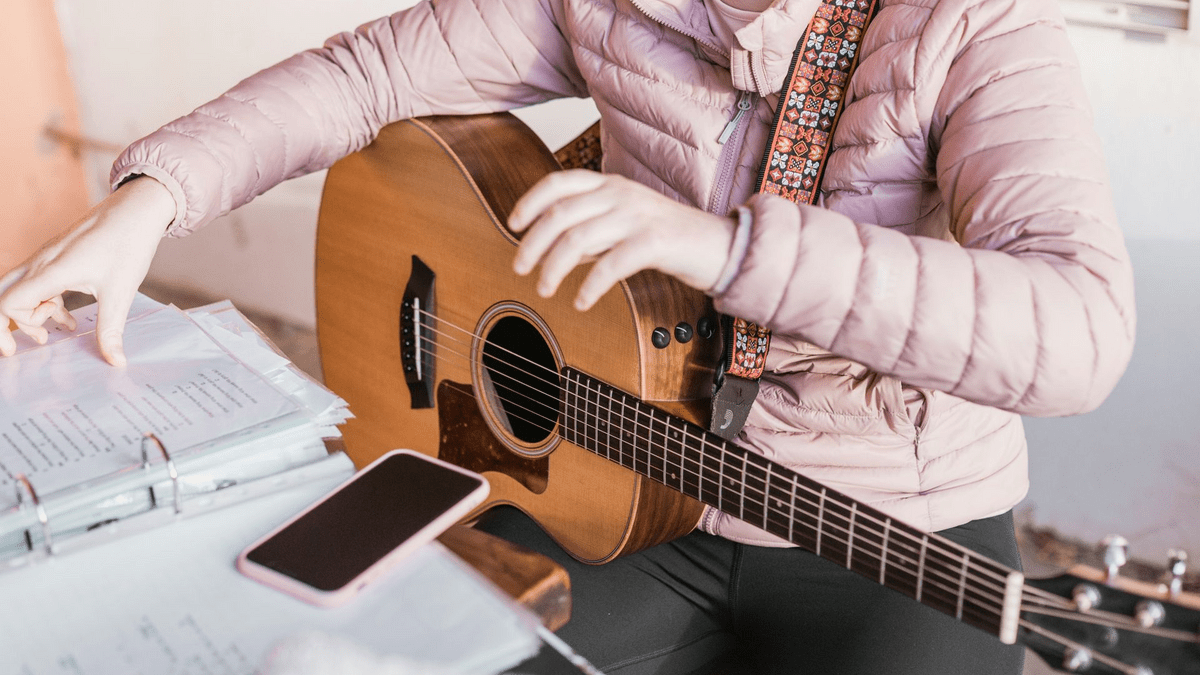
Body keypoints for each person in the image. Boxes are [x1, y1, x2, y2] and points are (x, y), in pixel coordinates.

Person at [0, 0, 1135, 672]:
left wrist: (731, 250)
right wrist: (151, 201)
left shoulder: (978, 25)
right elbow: (370, 73)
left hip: (893, 528)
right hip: (623, 478)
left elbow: (1080, 328)